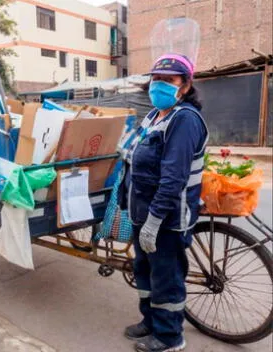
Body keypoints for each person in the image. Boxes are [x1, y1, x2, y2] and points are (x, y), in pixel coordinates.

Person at [119, 54, 207, 352]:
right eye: (156, 79)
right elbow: (133, 162)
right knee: (144, 271)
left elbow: (173, 178)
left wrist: (154, 221)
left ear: (184, 86)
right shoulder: (154, 116)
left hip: (165, 218)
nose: (160, 85)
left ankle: (170, 337)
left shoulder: (184, 119)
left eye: (169, 80)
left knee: (166, 277)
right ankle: (151, 322)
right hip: (140, 212)